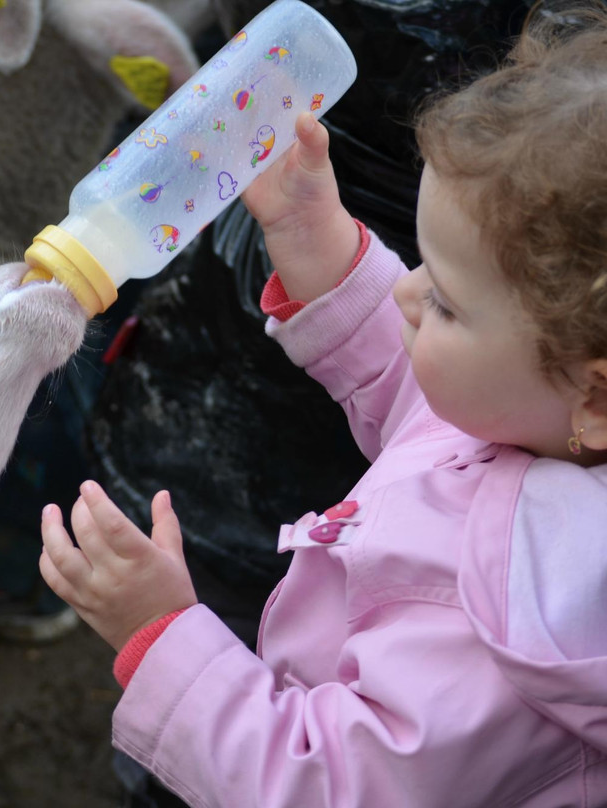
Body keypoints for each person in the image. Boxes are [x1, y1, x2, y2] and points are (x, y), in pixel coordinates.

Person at [38, 4, 607, 805]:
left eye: (445, 301)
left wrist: (160, 634)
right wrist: (318, 238)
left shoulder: (509, 623)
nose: (407, 295)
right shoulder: (545, 423)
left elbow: (328, 786)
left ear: (597, 393)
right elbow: (426, 412)